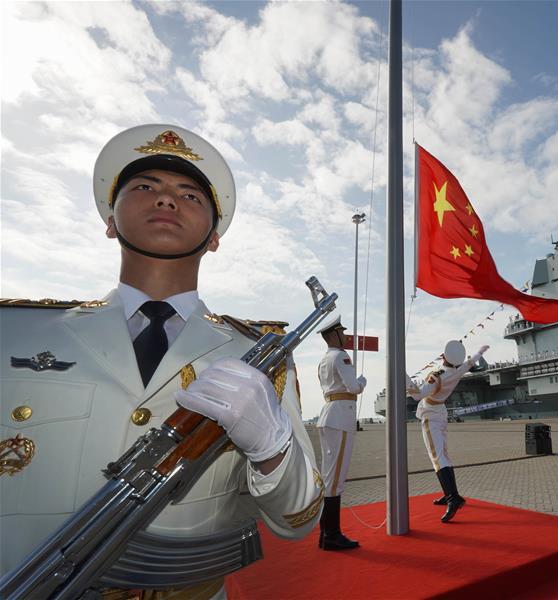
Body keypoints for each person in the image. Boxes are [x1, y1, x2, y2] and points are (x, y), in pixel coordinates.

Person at [0, 124, 324, 598]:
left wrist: (273, 449)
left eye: (190, 195)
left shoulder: (259, 356)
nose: (167, 199)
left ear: (214, 238)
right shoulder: (13, 332)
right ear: (110, 221)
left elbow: (299, 519)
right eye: (145, 187)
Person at [406, 340, 488, 523]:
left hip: (430, 415)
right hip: (441, 413)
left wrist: (404, 378)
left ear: (443, 355)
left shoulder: (437, 376)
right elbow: (470, 362)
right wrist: (480, 351)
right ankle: (449, 493)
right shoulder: (458, 370)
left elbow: (418, 395)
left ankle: (453, 498)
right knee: (444, 455)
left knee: (437, 457)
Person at [315, 314, 366, 550]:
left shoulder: (324, 360)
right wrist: (362, 382)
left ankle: (325, 533)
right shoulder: (341, 356)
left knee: (328, 477)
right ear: (334, 335)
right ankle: (332, 535)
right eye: (342, 332)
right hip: (340, 418)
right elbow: (353, 388)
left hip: (329, 416)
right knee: (335, 480)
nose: (345, 335)